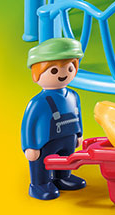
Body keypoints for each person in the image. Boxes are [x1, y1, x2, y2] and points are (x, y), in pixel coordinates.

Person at [21, 38, 86, 200]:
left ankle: (63, 177)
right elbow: (29, 125)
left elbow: (77, 115)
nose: (63, 74)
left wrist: (79, 134)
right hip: (45, 142)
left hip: (68, 137)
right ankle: (39, 184)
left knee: (66, 159)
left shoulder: (73, 96)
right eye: (54, 70)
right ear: (36, 74)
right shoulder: (38, 102)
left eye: (69, 68)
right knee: (41, 163)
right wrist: (29, 146)